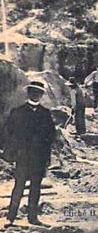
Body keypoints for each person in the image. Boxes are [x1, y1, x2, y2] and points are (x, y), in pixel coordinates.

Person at [3, 81, 57, 228]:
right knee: (18, 187)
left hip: (39, 158)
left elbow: (51, 135)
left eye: (39, 93)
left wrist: (46, 156)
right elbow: (8, 133)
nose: (36, 95)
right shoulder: (17, 112)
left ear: (42, 95)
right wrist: (13, 152)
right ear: (28, 93)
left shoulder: (45, 113)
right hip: (23, 157)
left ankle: (33, 218)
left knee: (35, 188)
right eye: (33, 92)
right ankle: (11, 217)